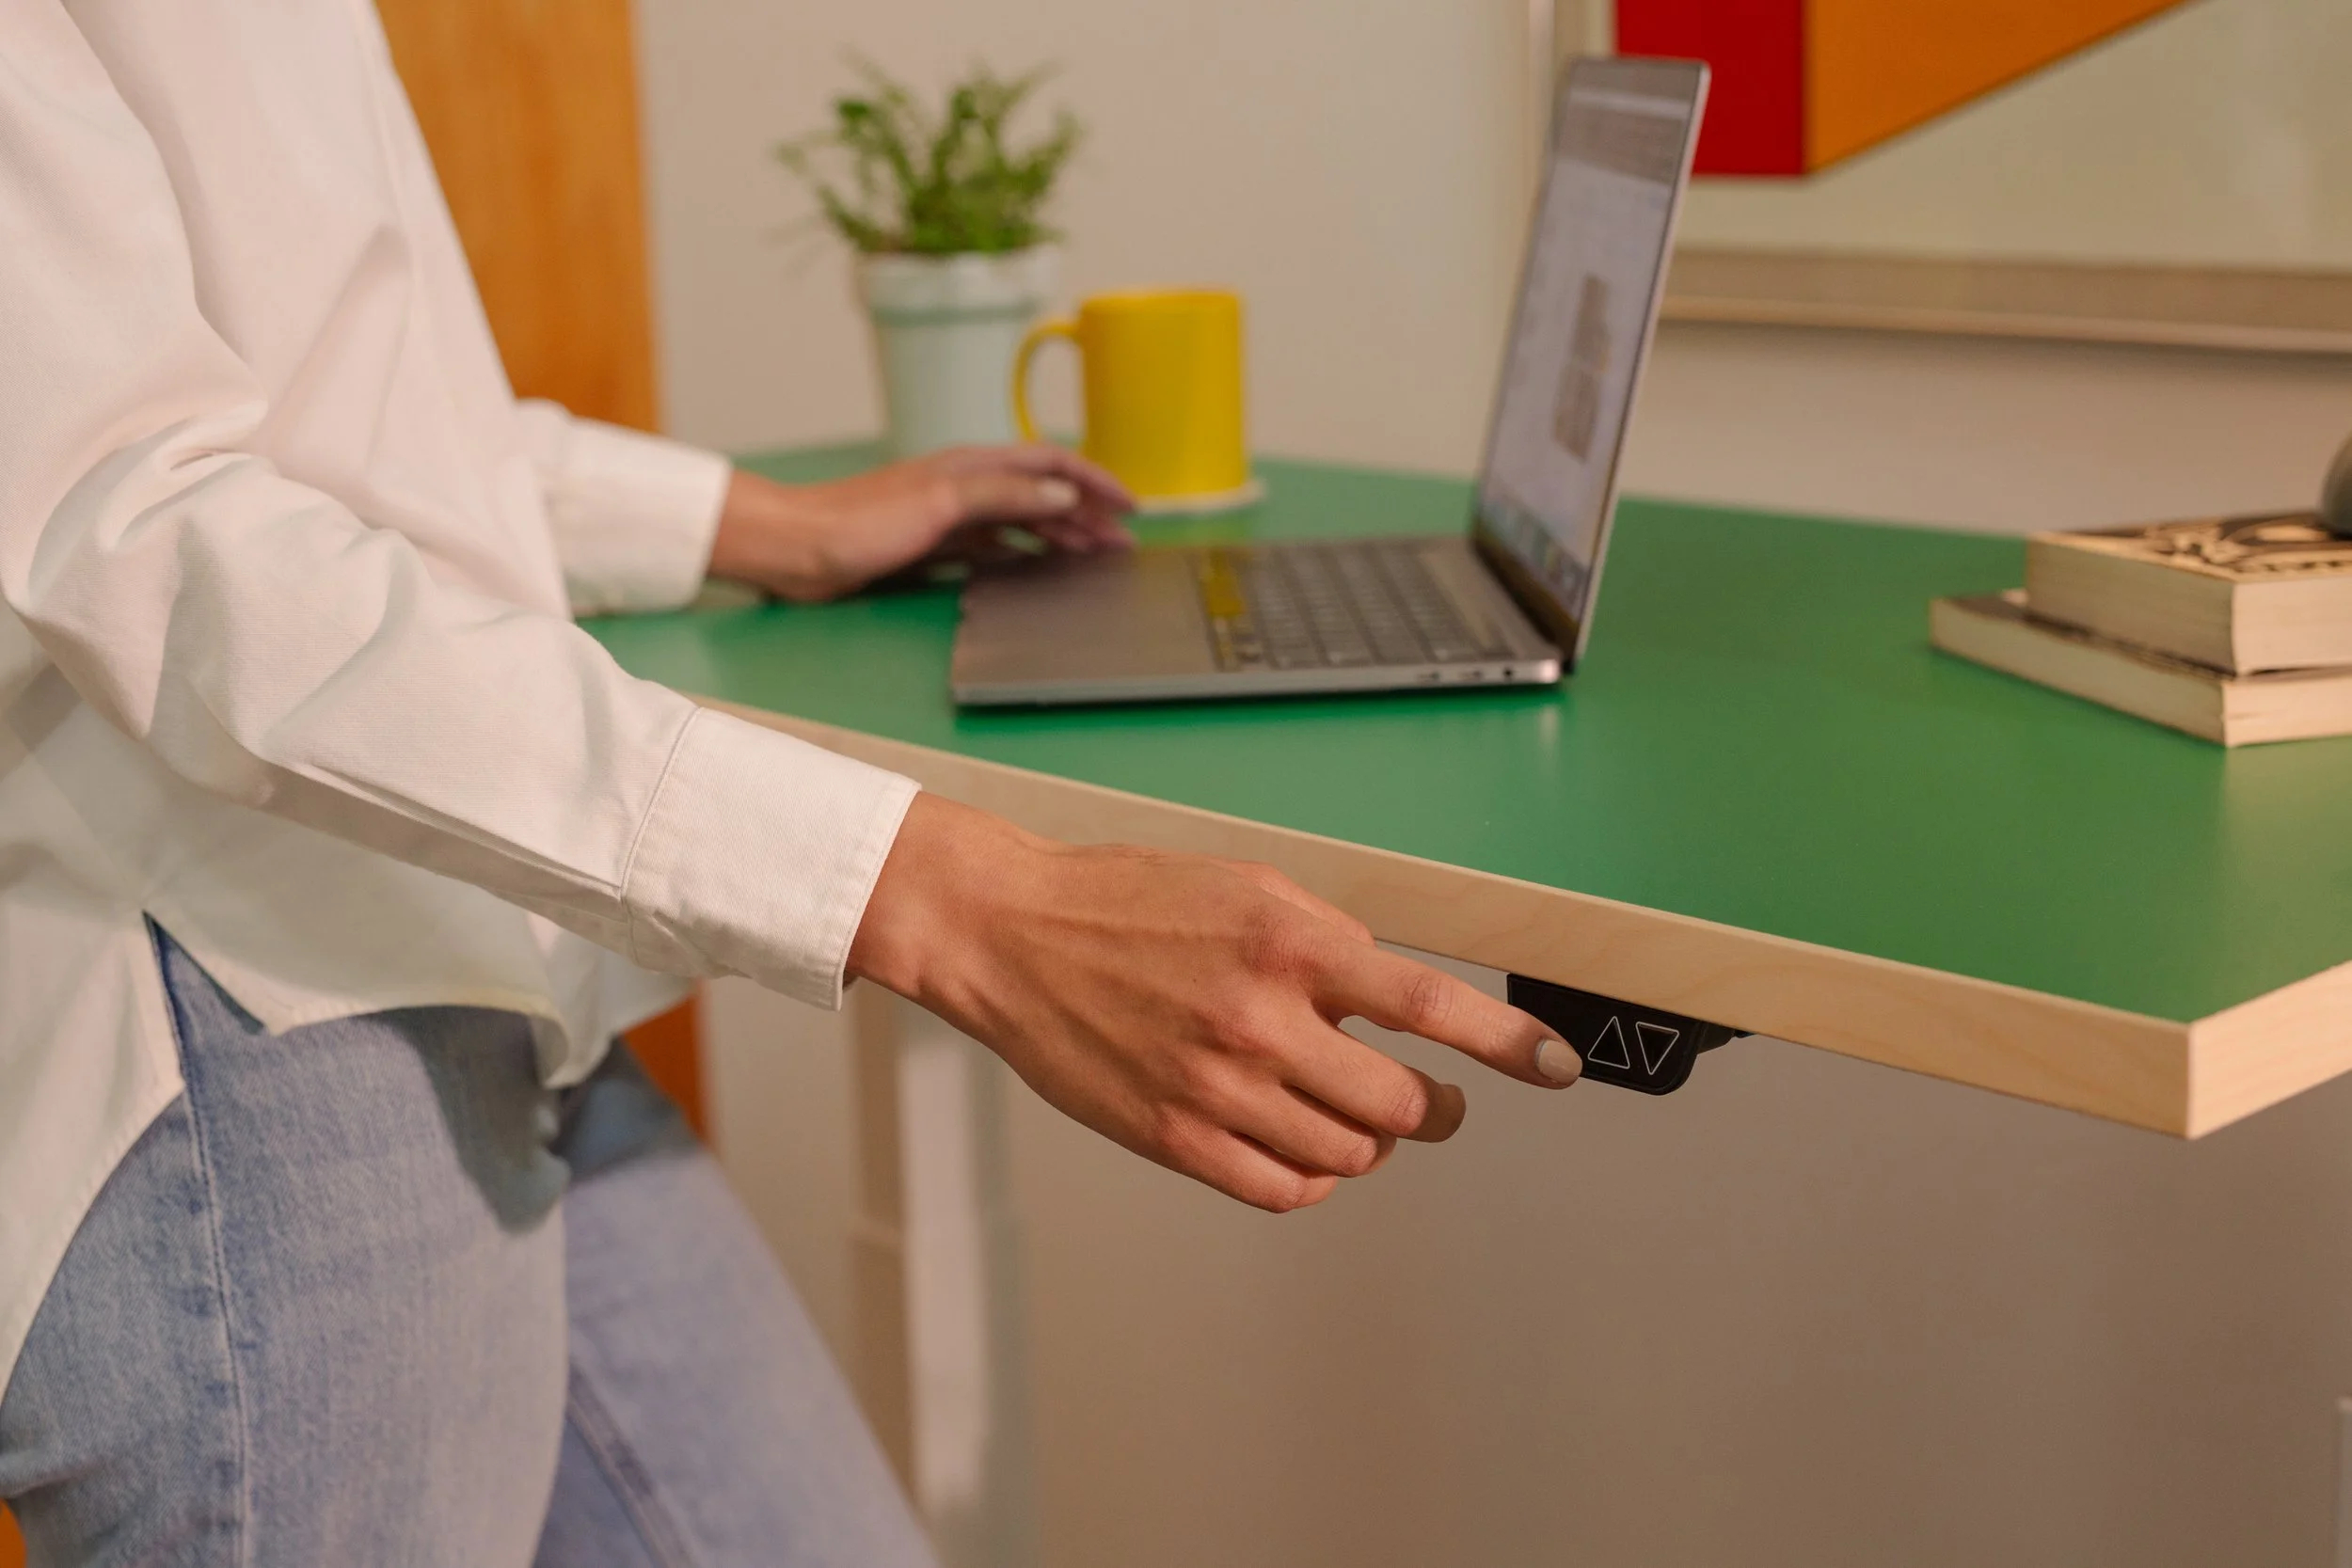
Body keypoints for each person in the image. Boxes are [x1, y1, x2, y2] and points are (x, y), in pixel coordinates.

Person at [0, 4, 1581, 1564]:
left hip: (479, 950)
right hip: (238, 1011)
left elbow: (339, 409)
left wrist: (762, 523)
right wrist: (956, 899)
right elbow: (125, 521)